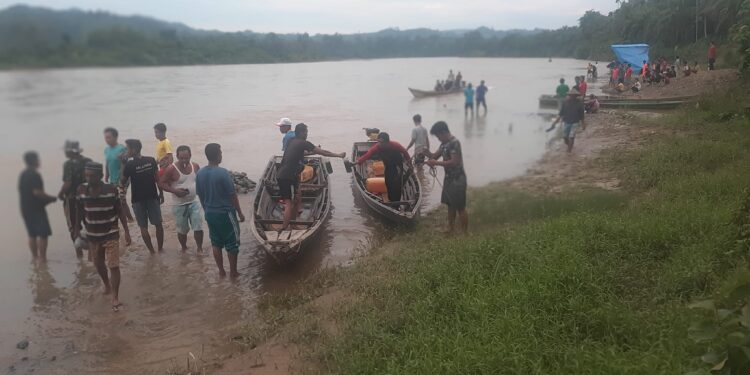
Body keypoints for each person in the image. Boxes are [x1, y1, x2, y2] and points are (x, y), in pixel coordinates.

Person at [74, 162, 131, 312]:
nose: (88, 178)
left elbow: (120, 211)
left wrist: (126, 230)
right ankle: (106, 284)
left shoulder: (111, 190)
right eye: (86, 175)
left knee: (113, 265)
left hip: (110, 233)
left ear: (100, 176)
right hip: (92, 235)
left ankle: (115, 297)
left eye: (91, 176)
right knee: (98, 264)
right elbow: (79, 210)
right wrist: (76, 229)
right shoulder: (81, 190)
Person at [276, 123, 345, 233]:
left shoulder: (291, 141)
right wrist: (338, 155)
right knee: (289, 203)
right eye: (306, 132)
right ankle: (284, 229)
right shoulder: (304, 143)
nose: (307, 134)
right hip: (288, 176)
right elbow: (323, 152)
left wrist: (312, 151)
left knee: (296, 198)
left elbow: (301, 154)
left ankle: (293, 224)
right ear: (302, 133)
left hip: (282, 174)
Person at [195, 143, 245, 278]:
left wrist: (206, 210)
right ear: (217, 155)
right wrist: (239, 212)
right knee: (232, 243)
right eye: (221, 153)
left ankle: (221, 272)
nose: (221, 155)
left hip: (210, 213)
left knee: (216, 242)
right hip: (225, 213)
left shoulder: (200, 173)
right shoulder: (223, 173)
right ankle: (233, 272)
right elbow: (232, 195)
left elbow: (200, 194)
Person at [424, 121, 468, 235]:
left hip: (458, 179)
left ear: (443, 132)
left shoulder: (454, 143)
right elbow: (434, 156)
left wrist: (436, 163)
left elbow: (455, 162)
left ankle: (465, 233)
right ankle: (451, 228)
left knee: (460, 207)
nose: (438, 139)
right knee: (450, 205)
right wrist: (426, 152)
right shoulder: (443, 144)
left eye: (438, 136)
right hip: (449, 179)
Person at [158, 145, 204, 252]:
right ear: (177, 157)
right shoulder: (171, 169)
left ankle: (200, 249)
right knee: (182, 230)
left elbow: (200, 181)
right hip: (179, 205)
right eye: (181, 158)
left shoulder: (195, 166)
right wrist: (175, 191)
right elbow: (161, 183)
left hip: (194, 202)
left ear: (190, 156)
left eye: (186, 158)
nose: (184, 160)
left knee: (198, 226)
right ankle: (184, 248)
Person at [121, 139, 164, 254]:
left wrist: (123, 164)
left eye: (128, 149)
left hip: (137, 199)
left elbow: (122, 181)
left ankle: (152, 252)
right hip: (152, 196)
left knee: (143, 227)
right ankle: (160, 249)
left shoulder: (129, 165)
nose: (126, 151)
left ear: (133, 150)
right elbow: (157, 179)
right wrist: (162, 193)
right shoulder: (151, 160)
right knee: (158, 224)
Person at [19, 152, 57, 263]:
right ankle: (43, 258)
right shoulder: (35, 175)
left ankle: (35, 257)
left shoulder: (23, 174)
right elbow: (37, 193)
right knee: (43, 234)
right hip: (36, 209)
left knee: (32, 234)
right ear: (35, 161)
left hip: (25, 208)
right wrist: (51, 198)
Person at [352, 132, 411, 202]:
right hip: (388, 165)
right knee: (388, 182)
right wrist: (357, 162)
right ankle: (391, 200)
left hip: (397, 165)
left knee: (396, 182)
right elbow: (367, 155)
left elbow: (405, 152)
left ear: (387, 142)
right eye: (378, 141)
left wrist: (409, 163)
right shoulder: (377, 147)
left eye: (381, 142)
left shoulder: (395, 145)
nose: (379, 144)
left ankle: (396, 202)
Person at [57, 140, 92, 258]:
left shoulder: (68, 164)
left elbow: (67, 183)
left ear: (70, 152)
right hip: (88, 198)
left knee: (74, 228)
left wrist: (60, 194)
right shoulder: (88, 161)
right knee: (90, 225)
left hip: (72, 200)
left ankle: (79, 256)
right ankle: (92, 254)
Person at [103, 127, 134, 222]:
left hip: (123, 179)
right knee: (114, 200)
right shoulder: (106, 150)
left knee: (122, 200)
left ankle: (130, 220)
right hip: (112, 178)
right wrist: (106, 175)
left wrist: (121, 179)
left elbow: (124, 164)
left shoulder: (122, 148)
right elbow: (107, 162)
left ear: (115, 137)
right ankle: (120, 220)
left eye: (109, 137)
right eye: (105, 137)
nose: (106, 140)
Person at [550, 89, 586, 153]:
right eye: (571, 95)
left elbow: (582, 115)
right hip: (566, 122)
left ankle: (569, 151)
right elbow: (561, 114)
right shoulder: (565, 103)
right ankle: (570, 145)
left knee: (572, 136)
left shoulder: (579, 104)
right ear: (569, 95)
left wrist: (583, 124)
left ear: (576, 96)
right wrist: (555, 123)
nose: (572, 97)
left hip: (575, 122)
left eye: (574, 96)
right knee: (565, 137)